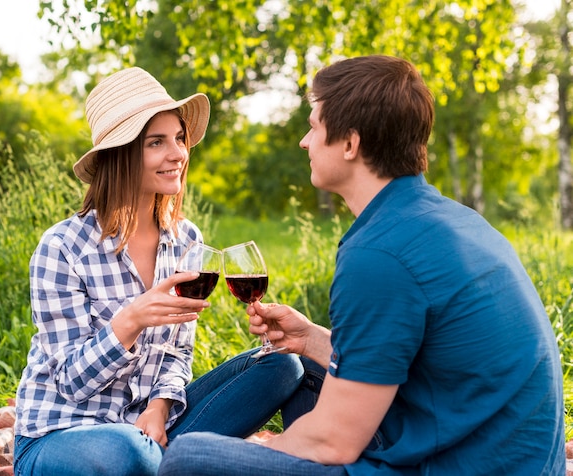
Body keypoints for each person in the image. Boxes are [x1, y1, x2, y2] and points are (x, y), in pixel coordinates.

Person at [158, 55, 566, 475]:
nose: (304, 141)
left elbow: (334, 441)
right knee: (310, 372)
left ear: (350, 144)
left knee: (191, 458)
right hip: (497, 451)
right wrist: (312, 339)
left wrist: (266, 445)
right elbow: (412, 362)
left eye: (314, 127)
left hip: (461, 465)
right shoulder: (448, 220)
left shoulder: (379, 254)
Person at [12, 67, 304, 476]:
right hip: (64, 433)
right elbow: (70, 384)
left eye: (179, 138)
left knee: (284, 365)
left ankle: (169, 463)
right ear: (121, 155)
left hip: (155, 427)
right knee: (127, 453)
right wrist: (130, 321)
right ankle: (176, 464)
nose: (178, 154)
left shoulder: (187, 242)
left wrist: (159, 406)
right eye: (157, 143)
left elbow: (178, 351)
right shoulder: (62, 248)